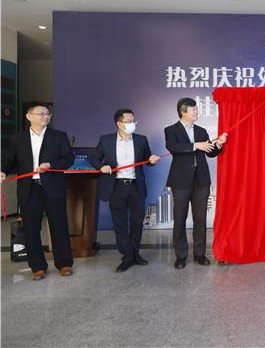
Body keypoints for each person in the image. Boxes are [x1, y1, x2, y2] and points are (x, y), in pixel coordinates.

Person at [0, 102, 74, 280]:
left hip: (53, 186)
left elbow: (68, 159)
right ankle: (37, 267)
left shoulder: (58, 136)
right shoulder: (18, 138)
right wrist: (2, 170)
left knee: (59, 225)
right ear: (29, 116)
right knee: (31, 228)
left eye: (47, 114)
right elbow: (9, 159)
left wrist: (51, 165)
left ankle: (64, 264)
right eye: (41, 114)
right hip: (29, 188)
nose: (45, 117)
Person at [89, 109, 160, 273]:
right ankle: (127, 256)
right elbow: (94, 158)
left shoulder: (141, 140)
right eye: (129, 121)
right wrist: (102, 166)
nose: (132, 124)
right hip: (116, 186)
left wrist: (151, 160)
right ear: (119, 123)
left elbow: (147, 160)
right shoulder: (106, 140)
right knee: (120, 223)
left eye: (134, 121)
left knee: (137, 222)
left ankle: (135, 254)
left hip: (136, 186)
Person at [165, 97, 227, 269]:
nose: (197, 112)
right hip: (180, 181)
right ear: (183, 112)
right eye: (194, 110)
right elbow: (173, 147)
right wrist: (195, 146)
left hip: (201, 181)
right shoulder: (171, 130)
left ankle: (200, 254)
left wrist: (219, 144)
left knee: (200, 219)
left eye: (197, 109)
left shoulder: (201, 130)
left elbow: (210, 152)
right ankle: (181, 256)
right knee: (180, 218)